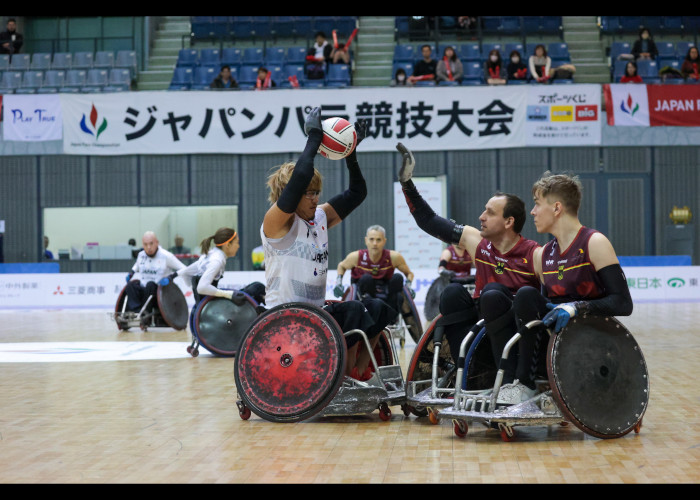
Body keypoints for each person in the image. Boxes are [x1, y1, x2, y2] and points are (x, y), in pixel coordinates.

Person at [261, 107, 391, 378]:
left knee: (378, 308)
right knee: (354, 309)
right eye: (308, 193)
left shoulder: (320, 216)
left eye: (317, 192)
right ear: (291, 194)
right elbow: (298, 180)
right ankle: (342, 380)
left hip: (317, 314)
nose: (314, 198)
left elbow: (358, 192)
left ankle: (359, 371)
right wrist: (314, 137)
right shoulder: (276, 223)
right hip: (286, 317)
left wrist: (351, 151)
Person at [395, 142, 541, 382]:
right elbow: (428, 220)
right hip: (483, 324)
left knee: (493, 294)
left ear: (508, 222)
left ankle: (509, 378)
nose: (481, 217)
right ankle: (470, 371)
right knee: (452, 293)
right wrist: (407, 183)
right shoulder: (477, 242)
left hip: (517, 333)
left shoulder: (534, 254)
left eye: (490, 213)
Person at [497, 172, 634, 404]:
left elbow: (623, 303)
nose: (532, 212)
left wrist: (577, 307)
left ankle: (525, 382)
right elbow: (538, 309)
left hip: (591, 340)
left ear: (557, 208)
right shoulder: (543, 254)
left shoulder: (594, 242)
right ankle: (521, 383)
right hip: (556, 343)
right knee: (522, 296)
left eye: (537, 204)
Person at [334, 224, 416, 320]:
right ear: (366, 240)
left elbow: (409, 273)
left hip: (386, 290)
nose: (375, 243)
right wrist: (339, 282)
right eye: (371, 239)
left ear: (384, 241)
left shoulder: (394, 257)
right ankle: (370, 312)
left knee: (398, 277)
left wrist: (409, 286)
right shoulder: (356, 256)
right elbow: (341, 266)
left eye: (378, 240)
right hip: (365, 289)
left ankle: (391, 315)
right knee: (367, 278)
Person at [174, 227, 265, 308]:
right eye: (237, 243)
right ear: (228, 245)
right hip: (213, 305)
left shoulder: (211, 254)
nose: (238, 246)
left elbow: (186, 272)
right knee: (258, 288)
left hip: (208, 302)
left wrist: (197, 298)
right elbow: (201, 288)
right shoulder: (216, 261)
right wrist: (228, 294)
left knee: (255, 287)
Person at [124, 231, 186, 315]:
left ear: (157, 243)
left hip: (159, 293)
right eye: (145, 244)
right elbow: (137, 265)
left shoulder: (166, 256)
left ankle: (145, 311)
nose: (148, 247)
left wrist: (170, 277)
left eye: (151, 244)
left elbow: (184, 268)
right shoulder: (141, 255)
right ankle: (135, 311)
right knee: (131, 285)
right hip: (144, 290)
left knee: (150, 285)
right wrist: (131, 273)